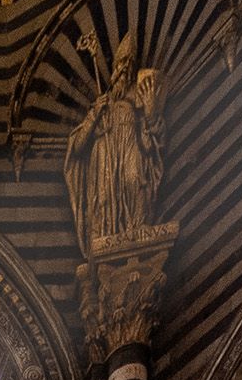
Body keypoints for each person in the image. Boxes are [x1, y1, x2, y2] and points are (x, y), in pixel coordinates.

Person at [63, 32, 166, 254]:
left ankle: (137, 228)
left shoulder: (136, 98)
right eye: (122, 65)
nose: (126, 70)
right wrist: (95, 115)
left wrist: (149, 111)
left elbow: (150, 141)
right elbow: (79, 147)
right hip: (105, 157)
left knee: (135, 179)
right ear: (115, 70)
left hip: (130, 147)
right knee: (104, 200)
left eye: (130, 65)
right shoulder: (102, 103)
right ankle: (106, 236)